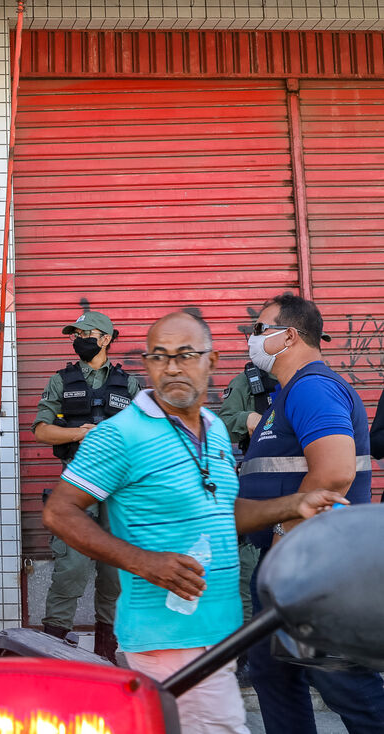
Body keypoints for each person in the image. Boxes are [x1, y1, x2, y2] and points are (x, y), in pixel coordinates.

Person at [44, 311, 348, 734]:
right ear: (146, 364)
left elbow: (222, 513)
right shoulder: (119, 434)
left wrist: (295, 504)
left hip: (214, 632)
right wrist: (143, 562)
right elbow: (59, 511)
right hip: (168, 638)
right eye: (160, 356)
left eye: (186, 355)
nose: (172, 368)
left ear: (213, 359)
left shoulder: (214, 429)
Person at [237, 294, 384, 733]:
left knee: (346, 688)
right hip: (292, 564)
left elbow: (335, 472)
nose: (253, 339)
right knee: (274, 676)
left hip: (314, 570)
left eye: (261, 330)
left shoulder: (312, 388)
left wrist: (284, 536)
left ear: (290, 336)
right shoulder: (288, 395)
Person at [31, 310, 141, 660]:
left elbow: (146, 436)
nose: (79, 339)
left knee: (113, 576)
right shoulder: (61, 381)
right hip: (76, 486)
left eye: (86, 333)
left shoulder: (130, 384)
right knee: (71, 570)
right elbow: (41, 429)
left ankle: (108, 655)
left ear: (106, 339)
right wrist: (79, 432)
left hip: (119, 492)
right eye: (74, 334)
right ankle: (53, 652)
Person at [216, 362, 278, 685]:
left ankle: (298, 657)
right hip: (257, 491)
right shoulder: (246, 382)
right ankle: (246, 658)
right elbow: (222, 424)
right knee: (248, 575)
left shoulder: (310, 382)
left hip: (300, 491)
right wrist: (248, 419)